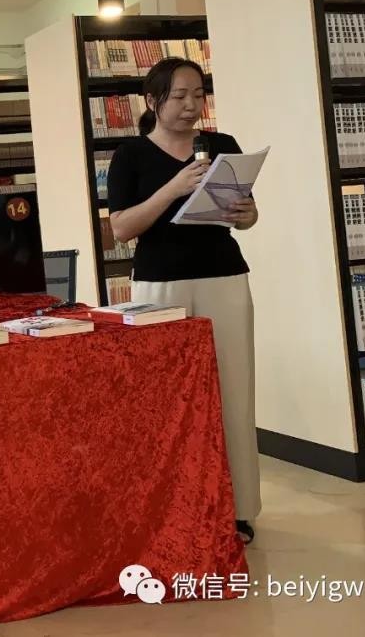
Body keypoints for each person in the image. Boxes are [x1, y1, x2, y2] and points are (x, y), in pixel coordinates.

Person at [106, 56, 260, 543]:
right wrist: (173, 188)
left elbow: (247, 219)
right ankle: (173, 511)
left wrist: (246, 213)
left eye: (198, 95)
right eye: (179, 96)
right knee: (167, 400)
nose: (191, 105)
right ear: (153, 101)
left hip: (224, 276)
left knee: (234, 393)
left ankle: (238, 509)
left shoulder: (222, 145)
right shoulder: (130, 155)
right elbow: (121, 229)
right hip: (160, 284)